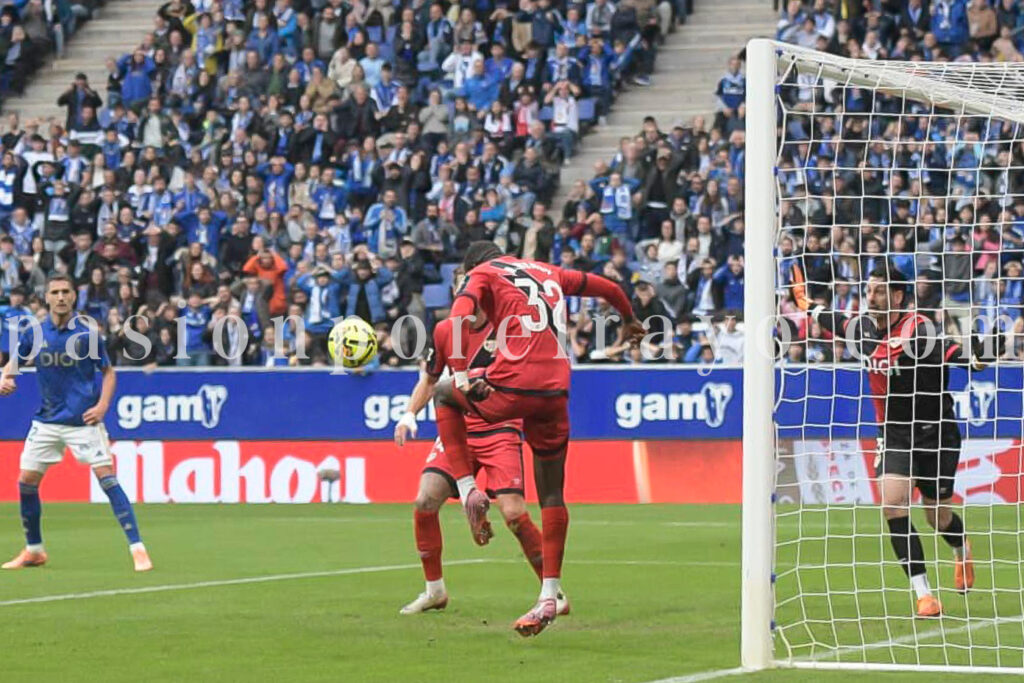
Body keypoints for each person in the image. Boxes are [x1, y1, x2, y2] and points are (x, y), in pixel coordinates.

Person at [433, 240, 643, 636]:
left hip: (513, 383)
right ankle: (549, 594)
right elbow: (610, 288)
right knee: (551, 494)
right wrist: (629, 320)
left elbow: (460, 312)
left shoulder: (485, 272)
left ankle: (466, 489)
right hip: (556, 390)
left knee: (444, 393)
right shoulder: (551, 271)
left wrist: (461, 374)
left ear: (474, 265)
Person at [793, 263, 1002, 617]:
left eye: (877, 291)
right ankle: (924, 595)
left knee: (938, 516)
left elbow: (955, 354)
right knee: (892, 505)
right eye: (868, 290)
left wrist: (978, 359)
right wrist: (808, 306)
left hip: (936, 431)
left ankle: (961, 548)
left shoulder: (918, 331)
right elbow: (834, 319)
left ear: (898, 295)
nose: (869, 297)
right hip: (894, 432)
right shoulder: (862, 329)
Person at [394, 270, 569, 616]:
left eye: (472, 285)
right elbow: (430, 380)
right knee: (425, 499)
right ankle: (435, 591)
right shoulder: (445, 331)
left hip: (499, 427)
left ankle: (554, 593)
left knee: (515, 514)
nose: (466, 290)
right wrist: (408, 414)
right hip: (458, 430)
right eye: (461, 283)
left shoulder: (511, 328)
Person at [0, 275, 152, 572]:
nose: (60, 297)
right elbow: (12, 366)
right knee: (26, 482)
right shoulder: (35, 333)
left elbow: (108, 373)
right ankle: (34, 550)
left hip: (83, 420)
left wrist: (103, 406)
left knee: (107, 479)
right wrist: (4, 377)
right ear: (46, 297)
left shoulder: (87, 334)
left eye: (65, 292)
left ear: (74, 297)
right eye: (54, 292)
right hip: (47, 421)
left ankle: (138, 549)